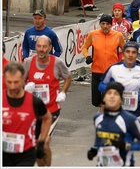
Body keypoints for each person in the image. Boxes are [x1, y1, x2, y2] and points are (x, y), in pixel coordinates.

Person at [24, 35, 72, 166]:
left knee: (43, 144)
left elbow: (68, 76)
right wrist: (26, 88)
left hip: (51, 111)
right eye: (39, 46)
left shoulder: (57, 62)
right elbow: (21, 81)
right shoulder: (28, 62)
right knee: (36, 149)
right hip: (33, 112)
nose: (41, 49)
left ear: (50, 48)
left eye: (44, 46)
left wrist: (63, 92)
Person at [87, 82, 140, 167]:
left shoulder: (130, 120)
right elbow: (100, 139)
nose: (112, 96)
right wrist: (94, 149)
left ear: (121, 100)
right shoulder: (98, 118)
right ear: (104, 99)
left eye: (116, 94)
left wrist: (126, 146)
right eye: (109, 93)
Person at [3, 61, 52, 167]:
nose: (12, 87)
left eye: (16, 82)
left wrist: (42, 141)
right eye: (9, 82)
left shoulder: (34, 102)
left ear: (23, 80)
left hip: (25, 154)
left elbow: (47, 118)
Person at [98, 42, 140, 119]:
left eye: (133, 52)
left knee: (132, 131)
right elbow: (101, 85)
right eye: (127, 52)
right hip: (115, 109)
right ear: (123, 54)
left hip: (135, 111)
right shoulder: (113, 68)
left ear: (137, 55)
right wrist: (114, 91)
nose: (130, 55)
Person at [82, 14, 125, 107]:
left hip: (111, 72)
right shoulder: (93, 34)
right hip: (96, 71)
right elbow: (84, 47)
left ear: (111, 25)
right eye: (103, 23)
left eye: (107, 24)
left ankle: (104, 115)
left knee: (107, 100)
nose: (105, 26)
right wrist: (87, 56)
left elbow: (125, 50)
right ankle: (102, 109)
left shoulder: (118, 35)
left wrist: (122, 61)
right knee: (95, 101)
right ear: (100, 24)